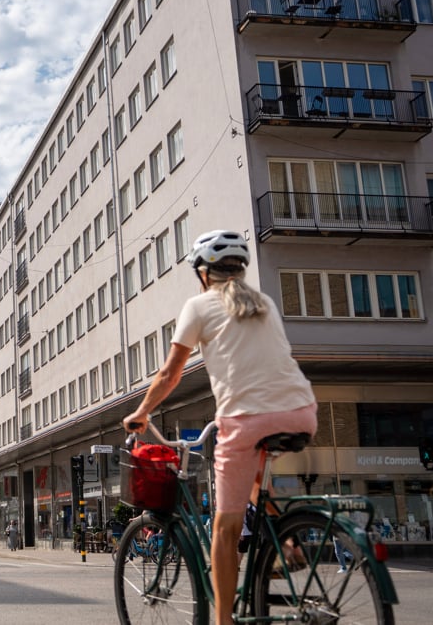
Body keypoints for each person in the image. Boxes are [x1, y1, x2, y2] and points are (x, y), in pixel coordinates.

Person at [122, 229, 316, 625]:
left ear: (203, 273)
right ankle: (289, 544)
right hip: (301, 410)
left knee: (225, 532)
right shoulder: (264, 303)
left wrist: (140, 412)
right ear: (239, 270)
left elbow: (169, 375)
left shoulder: (198, 306)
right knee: (257, 486)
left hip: (245, 420)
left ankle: (223, 622)